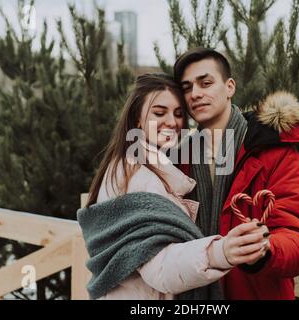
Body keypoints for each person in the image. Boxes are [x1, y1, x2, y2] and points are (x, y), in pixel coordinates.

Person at [77, 73, 270, 300]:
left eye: (179, 114)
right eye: (159, 113)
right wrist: (221, 251)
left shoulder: (136, 166)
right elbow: (160, 267)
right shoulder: (138, 177)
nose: (172, 122)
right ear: (137, 119)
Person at [174, 48, 299, 300]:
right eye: (186, 88)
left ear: (230, 87)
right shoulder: (177, 160)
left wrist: (265, 247)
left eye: (205, 83)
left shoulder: (273, 151)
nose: (195, 94)